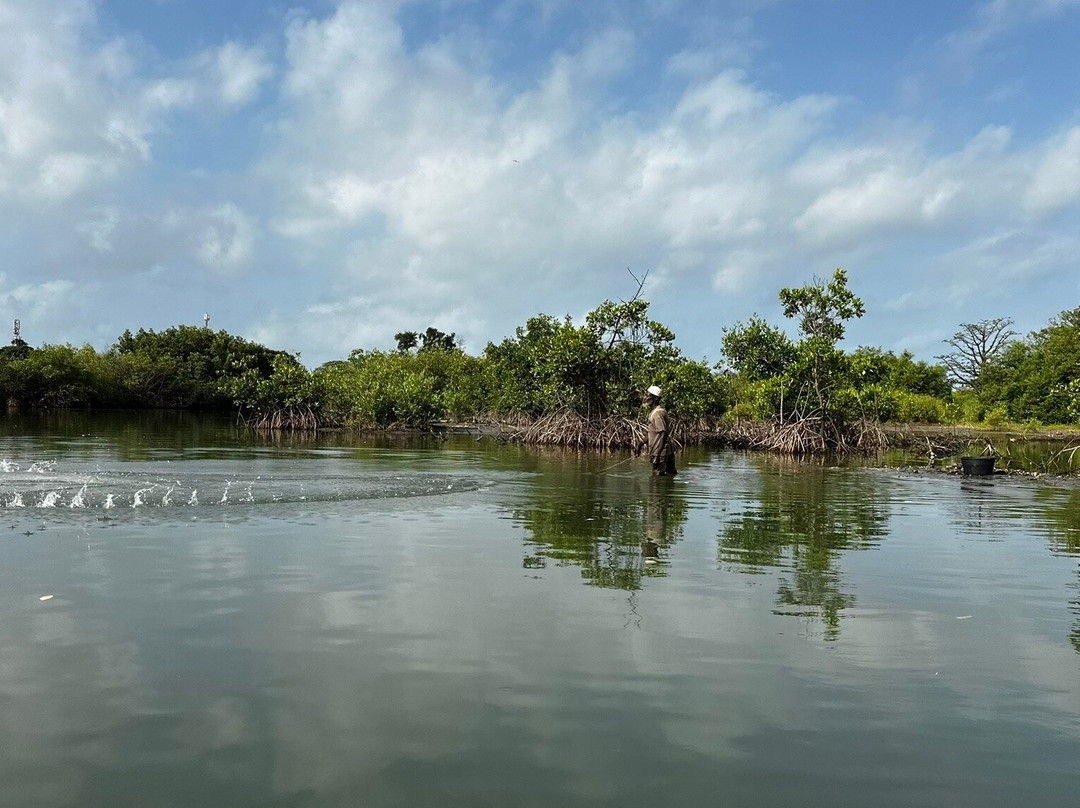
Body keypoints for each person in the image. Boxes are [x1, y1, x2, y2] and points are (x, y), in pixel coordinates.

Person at [639, 384, 676, 476]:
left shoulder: (657, 413)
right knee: (671, 474)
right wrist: (639, 445)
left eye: (648, 396)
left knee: (657, 479)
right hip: (665, 449)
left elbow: (663, 432)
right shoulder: (655, 412)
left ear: (655, 399)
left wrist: (657, 453)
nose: (645, 398)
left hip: (661, 450)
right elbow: (652, 432)